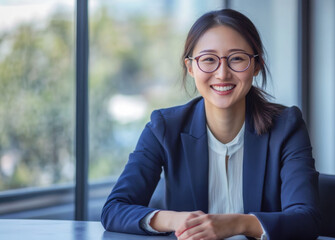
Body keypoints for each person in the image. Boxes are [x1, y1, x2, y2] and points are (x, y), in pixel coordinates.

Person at [101, 9, 320, 240]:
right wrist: (178, 220)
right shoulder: (164, 128)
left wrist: (236, 223)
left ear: (256, 65)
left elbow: (307, 219)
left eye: (237, 58)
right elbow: (114, 209)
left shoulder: (287, 127)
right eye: (208, 60)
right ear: (191, 67)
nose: (222, 73)